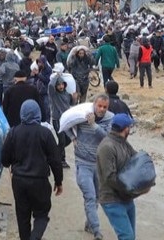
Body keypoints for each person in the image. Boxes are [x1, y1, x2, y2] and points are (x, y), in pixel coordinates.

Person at [1, 100, 63, 240]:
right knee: (41, 215)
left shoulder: (13, 132)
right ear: (38, 113)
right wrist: (58, 181)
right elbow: (55, 160)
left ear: (22, 113)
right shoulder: (45, 133)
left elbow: (4, 159)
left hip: (18, 181)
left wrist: (12, 163)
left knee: (22, 217)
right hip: (39, 182)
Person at [67, 95, 114, 240]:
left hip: (100, 165)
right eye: (99, 106)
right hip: (83, 163)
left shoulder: (109, 119)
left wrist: (93, 125)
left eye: (105, 107)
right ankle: (97, 231)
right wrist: (73, 138)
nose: (101, 109)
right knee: (90, 196)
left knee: (97, 198)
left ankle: (89, 223)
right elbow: (65, 124)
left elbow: (106, 137)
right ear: (94, 105)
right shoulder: (82, 116)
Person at [97, 113, 139, 240]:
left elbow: (136, 159)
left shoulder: (124, 143)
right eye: (129, 127)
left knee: (131, 235)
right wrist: (130, 188)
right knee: (127, 237)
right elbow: (109, 177)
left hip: (126, 198)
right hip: (112, 199)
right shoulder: (107, 147)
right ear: (125, 128)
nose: (130, 129)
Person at [48, 74, 71, 168]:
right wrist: (56, 76)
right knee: (61, 140)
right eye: (59, 85)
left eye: (62, 84)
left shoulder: (66, 94)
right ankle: (61, 160)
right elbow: (50, 86)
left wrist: (74, 97)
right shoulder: (54, 95)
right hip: (57, 120)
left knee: (68, 139)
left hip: (66, 120)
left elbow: (71, 103)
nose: (61, 86)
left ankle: (53, 153)